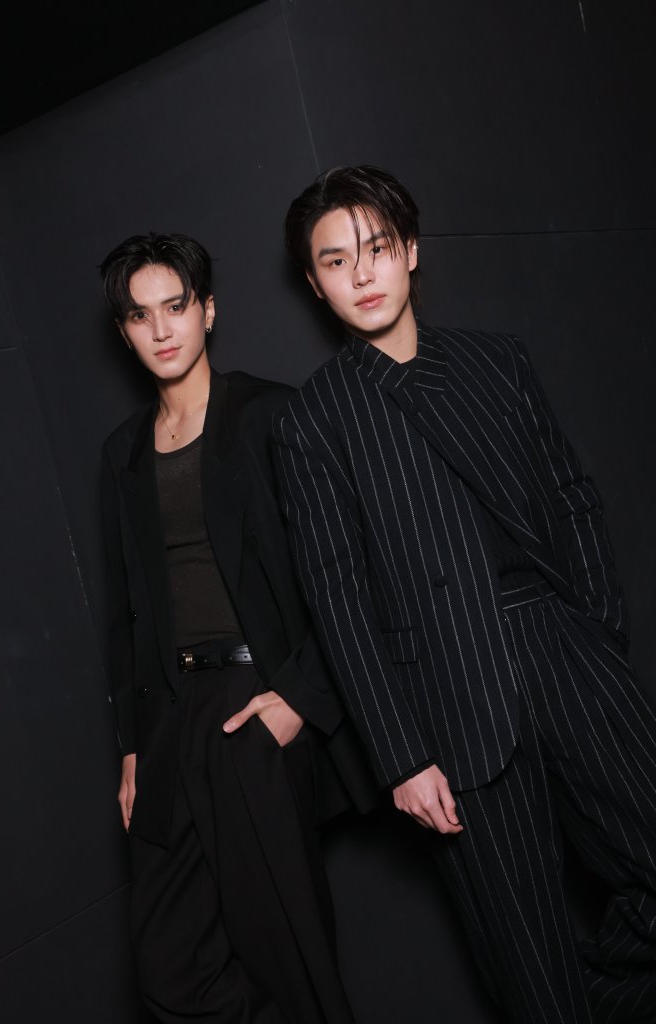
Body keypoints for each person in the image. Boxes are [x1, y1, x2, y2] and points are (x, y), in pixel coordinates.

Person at [272, 164, 656, 1024]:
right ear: (314, 283)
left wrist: (596, 634)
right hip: (446, 698)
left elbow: (571, 498)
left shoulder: (494, 360)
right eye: (335, 260)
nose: (361, 273)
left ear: (411, 251)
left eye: (376, 248)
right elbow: (337, 601)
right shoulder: (313, 420)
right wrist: (402, 755)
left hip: (559, 646)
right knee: (526, 956)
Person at [98, 231, 376, 1024]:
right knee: (169, 967)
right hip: (167, 720)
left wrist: (299, 699)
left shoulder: (269, 415)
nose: (161, 329)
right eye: (140, 315)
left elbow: (348, 571)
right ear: (124, 330)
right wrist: (130, 747)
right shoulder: (120, 454)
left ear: (208, 311)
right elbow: (123, 612)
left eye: (176, 306)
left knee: (289, 959)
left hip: (253, 704)